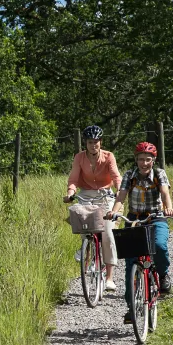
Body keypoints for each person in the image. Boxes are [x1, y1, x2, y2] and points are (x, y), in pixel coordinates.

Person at [107, 141, 173, 318]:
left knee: (159, 245)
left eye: (148, 160)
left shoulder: (159, 174)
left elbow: (165, 193)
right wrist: (114, 212)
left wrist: (168, 208)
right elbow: (121, 197)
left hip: (155, 217)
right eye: (140, 159)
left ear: (153, 160)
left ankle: (163, 275)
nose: (144, 163)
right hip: (134, 219)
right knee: (131, 263)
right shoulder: (130, 175)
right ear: (136, 160)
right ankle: (132, 307)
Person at [64, 125, 120, 292]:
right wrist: (70, 193)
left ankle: (109, 278)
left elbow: (116, 176)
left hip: (105, 195)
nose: (93, 145)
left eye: (96, 142)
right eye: (90, 142)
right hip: (86, 195)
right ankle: (85, 248)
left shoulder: (109, 156)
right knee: (82, 223)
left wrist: (120, 191)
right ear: (85, 143)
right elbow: (73, 178)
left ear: (100, 142)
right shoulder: (79, 158)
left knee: (107, 233)